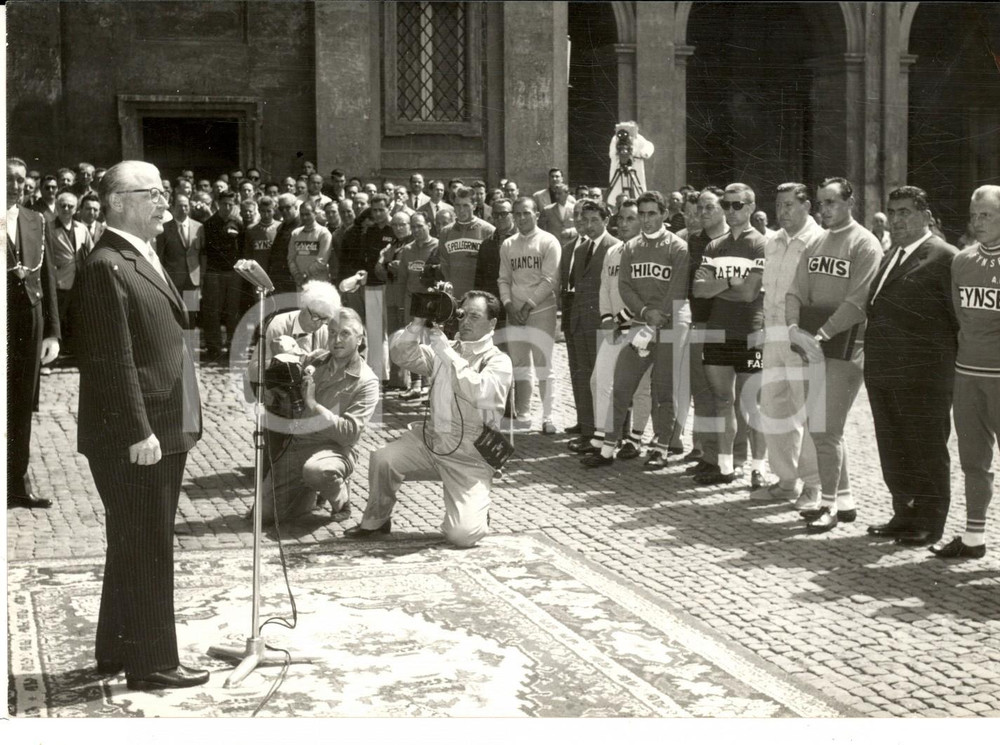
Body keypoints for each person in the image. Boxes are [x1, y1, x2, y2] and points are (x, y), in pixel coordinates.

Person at [74, 159, 206, 690]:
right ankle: (152, 664)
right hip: (137, 433)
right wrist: (137, 431)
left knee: (132, 539)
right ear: (117, 202)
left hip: (161, 424)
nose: (163, 201)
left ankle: (116, 648)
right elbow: (111, 359)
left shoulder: (141, 253)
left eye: (163, 190)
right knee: (148, 544)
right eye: (152, 192)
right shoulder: (107, 264)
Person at [346, 291, 513, 547]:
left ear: (491, 323)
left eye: (475, 316)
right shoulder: (445, 349)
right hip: (431, 441)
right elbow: (401, 355)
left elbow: (481, 393)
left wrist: (446, 352)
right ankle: (377, 520)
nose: (465, 322)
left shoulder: (498, 360)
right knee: (383, 459)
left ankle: (476, 509)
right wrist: (417, 324)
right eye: (462, 315)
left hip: (469, 457)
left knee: (462, 535)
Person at [864, 186, 959, 547]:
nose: (896, 219)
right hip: (885, 373)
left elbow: (957, 320)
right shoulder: (892, 254)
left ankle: (929, 522)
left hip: (924, 378)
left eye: (905, 212)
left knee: (926, 449)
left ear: (925, 215)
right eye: (892, 212)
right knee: (894, 448)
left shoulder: (943, 256)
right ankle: (903, 514)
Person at [786, 177, 881, 533]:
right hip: (812, 343)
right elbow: (795, 291)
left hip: (846, 346)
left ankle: (827, 506)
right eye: (821, 203)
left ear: (850, 202)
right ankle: (844, 500)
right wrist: (793, 328)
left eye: (832, 202)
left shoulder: (865, 243)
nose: (824, 209)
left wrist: (821, 334)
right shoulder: (815, 242)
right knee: (822, 426)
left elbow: (858, 302)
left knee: (825, 428)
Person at [586, 191, 689, 470]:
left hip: (670, 323)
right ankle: (607, 448)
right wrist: (644, 314)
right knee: (622, 384)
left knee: (663, 388)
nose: (646, 219)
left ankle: (662, 448)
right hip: (640, 322)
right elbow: (625, 286)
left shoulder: (678, 247)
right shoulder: (630, 247)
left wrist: (657, 318)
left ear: (664, 214)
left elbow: (677, 288)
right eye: (641, 214)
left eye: (652, 213)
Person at [259, 307, 378, 526]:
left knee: (316, 471)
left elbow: (349, 434)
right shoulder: (316, 360)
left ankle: (340, 498)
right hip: (298, 447)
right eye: (332, 332)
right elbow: (286, 364)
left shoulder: (366, 382)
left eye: (345, 333)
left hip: (334, 450)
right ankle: (310, 493)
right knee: (264, 515)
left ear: (360, 339)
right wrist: (280, 359)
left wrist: (313, 404)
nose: (336, 339)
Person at [931, 184, 1000, 559]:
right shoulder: (962, 261)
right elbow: (962, 317)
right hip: (968, 373)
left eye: (987, 214)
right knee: (973, 460)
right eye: (974, 216)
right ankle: (974, 538)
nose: (978, 222)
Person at [752, 183, 826, 504]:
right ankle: (786, 481)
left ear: (807, 206)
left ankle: (814, 485)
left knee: (809, 413)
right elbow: (767, 291)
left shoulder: (819, 241)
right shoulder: (773, 242)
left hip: (802, 338)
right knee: (773, 409)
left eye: (789, 205)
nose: (782, 212)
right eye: (779, 205)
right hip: (773, 337)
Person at [693, 183, 767, 486]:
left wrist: (717, 286)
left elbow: (750, 294)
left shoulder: (761, 244)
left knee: (751, 405)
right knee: (722, 400)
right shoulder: (714, 246)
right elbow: (698, 291)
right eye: (726, 204)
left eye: (738, 205)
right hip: (717, 331)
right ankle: (725, 467)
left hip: (751, 332)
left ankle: (758, 469)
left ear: (751, 207)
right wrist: (730, 282)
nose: (731, 210)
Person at [7, 157, 61, 509]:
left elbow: (47, 276)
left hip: (29, 322)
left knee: (22, 402)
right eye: (8, 179)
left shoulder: (35, 220)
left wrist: (52, 331)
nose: (16, 186)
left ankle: (16, 482)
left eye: (21, 180)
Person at [582, 198, 653, 464]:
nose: (623, 223)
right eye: (621, 218)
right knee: (599, 381)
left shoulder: (647, 252)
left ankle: (635, 438)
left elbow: (644, 295)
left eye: (630, 219)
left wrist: (620, 319)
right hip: (613, 327)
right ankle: (602, 435)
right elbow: (605, 288)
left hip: (639, 327)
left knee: (640, 387)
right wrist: (606, 318)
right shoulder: (613, 251)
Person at [497, 197, 562, 433]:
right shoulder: (508, 244)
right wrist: (508, 305)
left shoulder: (548, 241)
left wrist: (527, 306)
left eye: (526, 213)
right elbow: (503, 279)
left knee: (544, 365)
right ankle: (523, 415)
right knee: (519, 365)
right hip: (515, 313)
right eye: (517, 214)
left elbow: (549, 280)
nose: (521, 218)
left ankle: (548, 417)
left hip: (541, 311)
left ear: (537, 214)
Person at [562, 199, 616, 451]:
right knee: (583, 377)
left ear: (606, 221)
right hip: (579, 321)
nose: (590, 225)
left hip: (602, 323)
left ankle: (609, 433)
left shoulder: (615, 247)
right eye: (586, 220)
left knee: (604, 381)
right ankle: (588, 431)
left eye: (596, 220)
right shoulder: (581, 249)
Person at [46, 189, 94, 360]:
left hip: (78, 282)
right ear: (57, 207)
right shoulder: (48, 228)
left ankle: (74, 357)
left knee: (76, 319)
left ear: (76, 209)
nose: (66, 209)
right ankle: (51, 359)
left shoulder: (81, 228)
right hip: (59, 280)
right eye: (63, 205)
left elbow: (91, 251)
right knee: (57, 320)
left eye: (70, 206)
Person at [201, 190, 245, 359]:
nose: (227, 207)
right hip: (214, 272)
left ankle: (234, 347)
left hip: (233, 273)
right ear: (218, 204)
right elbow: (205, 250)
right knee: (213, 311)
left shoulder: (238, 223)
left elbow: (242, 249)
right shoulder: (209, 224)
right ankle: (214, 348)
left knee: (233, 311)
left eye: (230, 204)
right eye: (224, 204)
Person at [438, 185, 495, 300]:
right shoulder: (445, 232)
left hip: (479, 296)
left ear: (474, 206)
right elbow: (444, 267)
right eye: (457, 205)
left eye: (466, 205)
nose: (461, 210)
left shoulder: (488, 230)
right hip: (454, 296)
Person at [156, 193, 205, 318]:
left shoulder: (199, 227)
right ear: (172, 207)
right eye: (179, 206)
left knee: (191, 314)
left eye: (186, 206)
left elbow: (202, 255)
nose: (183, 209)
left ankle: (190, 333)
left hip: (192, 281)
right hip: (173, 280)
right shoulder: (164, 228)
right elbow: (160, 257)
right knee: (175, 314)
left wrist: (201, 277)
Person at [287, 201, 333, 288]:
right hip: (300, 283)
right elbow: (291, 258)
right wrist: (296, 274)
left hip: (319, 282)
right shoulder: (295, 233)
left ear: (315, 213)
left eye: (308, 214)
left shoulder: (323, 233)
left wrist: (305, 274)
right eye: (302, 214)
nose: (304, 217)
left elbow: (322, 260)